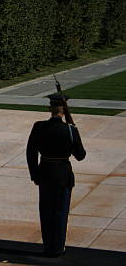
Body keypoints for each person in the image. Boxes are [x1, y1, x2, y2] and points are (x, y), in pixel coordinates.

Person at [26, 93, 86, 257]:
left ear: (50, 108)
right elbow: (81, 155)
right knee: (60, 212)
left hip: (44, 173)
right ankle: (58, 247)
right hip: (63, 176)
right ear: (65, 110)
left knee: (46, 212)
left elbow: (30, 153)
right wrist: (75, 131)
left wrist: (34, 174)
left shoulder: (38, 127)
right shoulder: (70, 130)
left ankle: (48, 246)